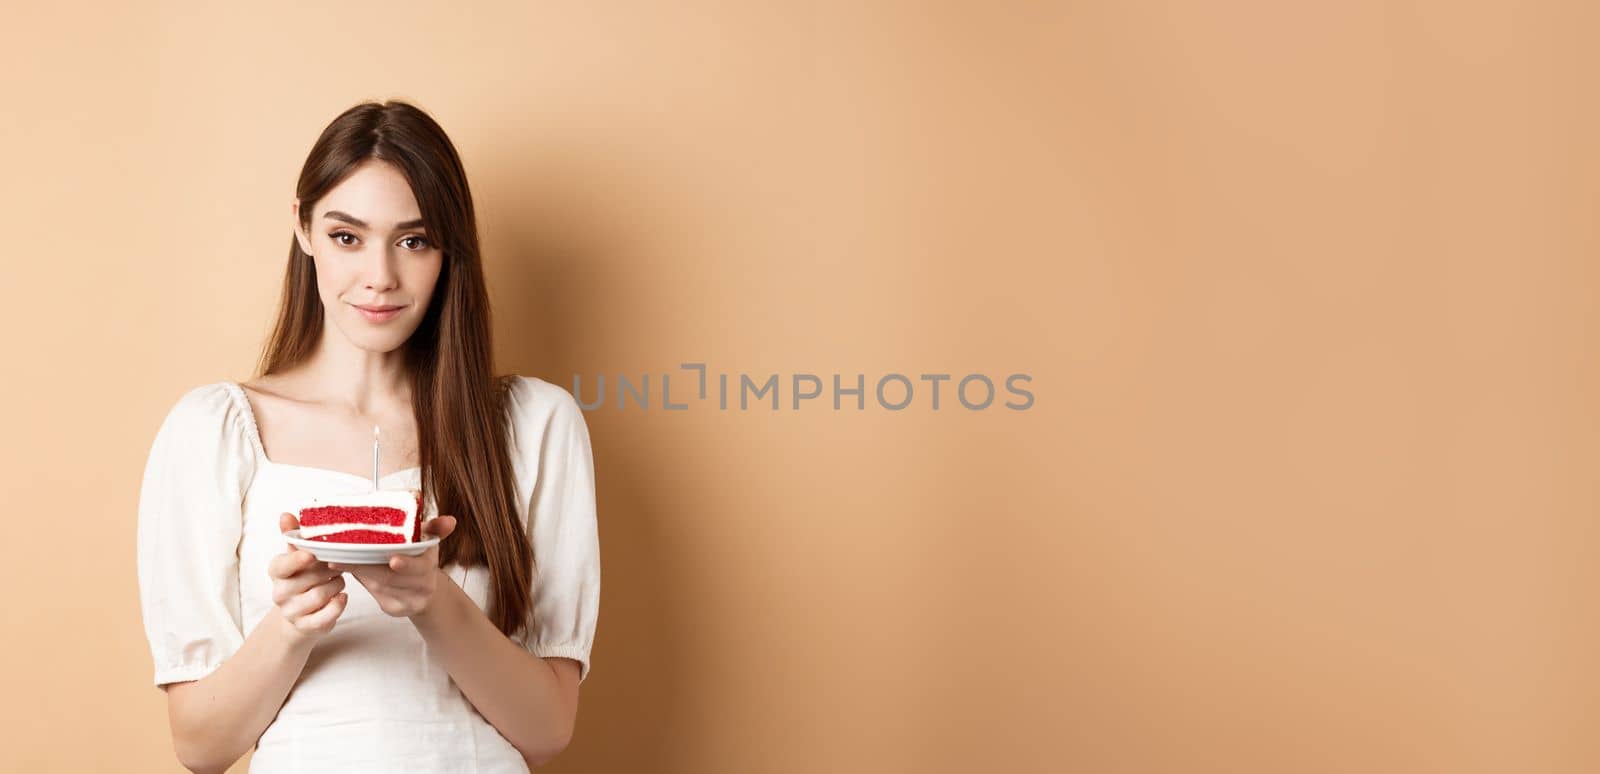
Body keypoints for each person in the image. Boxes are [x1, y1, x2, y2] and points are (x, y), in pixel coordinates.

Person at [135, 100, 600, 773]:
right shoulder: (212, 432)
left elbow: (548, 728)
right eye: (347, 236)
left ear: (449, 250)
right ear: (303, 228)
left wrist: (432, 600)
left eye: (413, 240)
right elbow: (200, 747)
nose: (380, 276)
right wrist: (292, 623)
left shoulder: (534, 425)